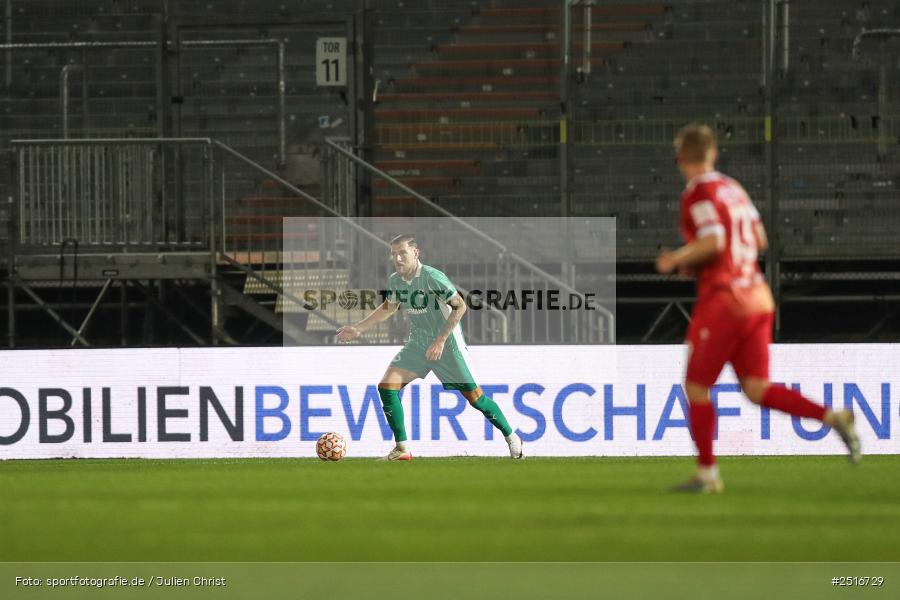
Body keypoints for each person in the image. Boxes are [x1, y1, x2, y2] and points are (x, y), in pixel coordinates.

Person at [655, 124, 861, 493]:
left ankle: (707, 475)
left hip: (725, 300)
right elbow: (760, 239)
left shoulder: (698, 192)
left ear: (682, 159)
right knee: (756, 388)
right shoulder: (733, 189)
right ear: (713, 153)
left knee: (697, 387)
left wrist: (679, 259)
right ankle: (833, 417)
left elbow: (715, 240)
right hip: (758, 298)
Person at [336, 234, 524, 461]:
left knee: (476, 399)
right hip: (417, 344)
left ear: (416, 253)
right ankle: (402, 448)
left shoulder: (433, 277)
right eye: (393, 253)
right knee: (386, 387)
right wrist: (358, 329)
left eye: (402, 253)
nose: (397, 258)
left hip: (448, 345)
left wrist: (440, 340)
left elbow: (460, 307)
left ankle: (512, 437)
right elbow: (389, 307)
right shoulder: (395, 280)